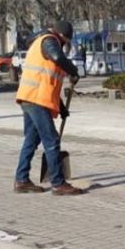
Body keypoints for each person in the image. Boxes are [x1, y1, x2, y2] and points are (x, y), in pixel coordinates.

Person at [13, 20, 85, 196]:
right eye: (65, 42)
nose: (64, 46)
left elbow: (48, 82)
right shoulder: (49, 41)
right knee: (51, 141)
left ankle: (21, 180)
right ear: (61, 36)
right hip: (36, 100)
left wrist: (61, 107)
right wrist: (73, 71)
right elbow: (58, 58)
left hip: (30, 97)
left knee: (31, 140)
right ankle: (58, 183)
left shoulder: (43, 43)